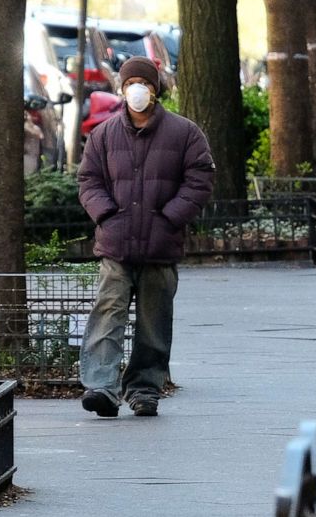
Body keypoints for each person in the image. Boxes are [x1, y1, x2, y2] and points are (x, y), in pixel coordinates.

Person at [77, 56, 215, 418]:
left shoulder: (185, 133)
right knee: (108, 314)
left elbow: (199, 180)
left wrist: (171, 217)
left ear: (156, 89)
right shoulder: (103, 135)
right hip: (116, 245)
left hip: (160, 246)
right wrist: (106, 214)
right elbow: (88, 180)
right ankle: (101, 387)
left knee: (154, 323)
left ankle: (144, 388)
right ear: (121, 89)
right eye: (131, 83)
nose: (138, 89)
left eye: (145, 83)